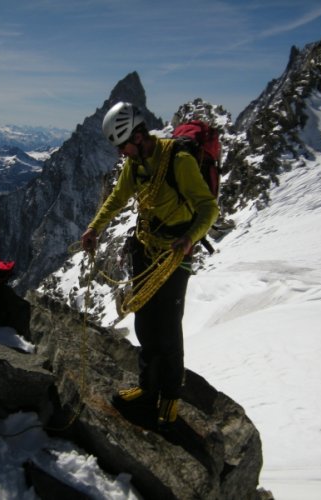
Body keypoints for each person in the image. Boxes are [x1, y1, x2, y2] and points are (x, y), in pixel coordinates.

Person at [80, 102, 218, 427]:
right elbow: (117, 197)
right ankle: (147, 388)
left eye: (124, 145)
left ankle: (169, 395)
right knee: (145, 322)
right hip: (145, 247)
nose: (121, 153)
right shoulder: (136, 164)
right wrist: (94, 227)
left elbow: (208, 209)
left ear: (139, 136)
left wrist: (189, 239)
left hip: (174, 251)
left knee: (168, 326)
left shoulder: (179, 161)